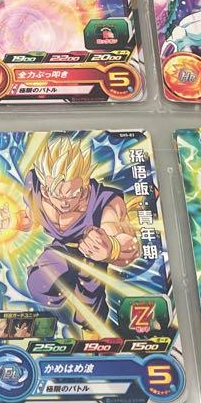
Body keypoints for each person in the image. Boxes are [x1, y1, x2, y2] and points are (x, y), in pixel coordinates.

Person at [19, 136, 138, 332]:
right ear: (45, 188)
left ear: (84, 186)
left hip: (91, 255)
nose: (64, 203)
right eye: (57, 195)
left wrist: (111, 249)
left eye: (72, 194)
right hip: (62, 249)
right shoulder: (35, 189)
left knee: (90, 313)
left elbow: (128, 243)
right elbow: (31, 217)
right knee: (39, 284)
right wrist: (13, 221)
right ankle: (68, 286)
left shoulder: (105, 202)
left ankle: (94, 342)